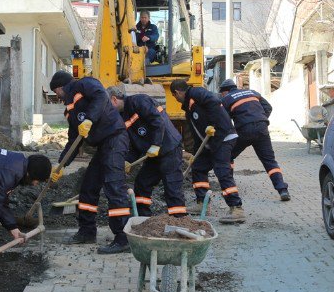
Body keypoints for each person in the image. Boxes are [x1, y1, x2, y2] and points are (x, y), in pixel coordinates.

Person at [50, 70, 132, 254]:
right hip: (103, 145)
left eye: (56, 91)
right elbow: (73, 140)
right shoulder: (70, 109)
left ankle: (123, 238)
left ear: (61, 87)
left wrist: (89, 119)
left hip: (115, 138)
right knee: (88, 187)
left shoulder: (84, 84)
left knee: (114, 186)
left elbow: (101, 96)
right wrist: (61, 165)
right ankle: (87, 232)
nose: (57, 96)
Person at [169, 79, 245, 224]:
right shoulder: (189, 109)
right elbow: (197, 134)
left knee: (221, 170)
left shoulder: (197, 92)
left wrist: (215, 125)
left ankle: (236, 208)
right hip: (210, 142)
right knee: (198, 167)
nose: (176, 99)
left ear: (177, 92)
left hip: (223, 137)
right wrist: (195, 153)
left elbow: (214, 102)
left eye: (175, 96)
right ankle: (202, 203)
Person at [107, 86, 186, 218]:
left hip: (168, 148)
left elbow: (158, 122)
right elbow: (134, 142)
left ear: (114, 99)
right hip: (152, 154)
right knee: (142, 184)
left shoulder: (139, 101)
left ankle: (179, 219)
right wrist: (128, 160)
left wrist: (156, 144)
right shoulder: (121, 116)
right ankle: (143, 218)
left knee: (172, 184)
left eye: (107, 105)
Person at [0, 146, 52, 267]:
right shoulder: (10, 173)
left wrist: (13, 229)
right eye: (36, 181)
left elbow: (1, 201)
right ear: (29, 174)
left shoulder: (17, 165)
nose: (34, 185)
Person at [218, 79, 290, 201]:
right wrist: (260, 119)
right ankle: (282, 190)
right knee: (269, 161)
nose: (222, 95)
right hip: (262, 128)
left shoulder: (226, 99)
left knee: (228, 156)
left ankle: (229, 187)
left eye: (222, 93)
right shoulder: (252, 92)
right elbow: (268, 107)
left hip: (243, 131)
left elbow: (223, 119)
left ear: (226, 91)